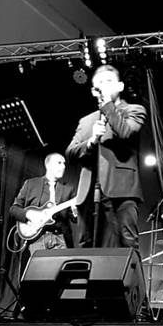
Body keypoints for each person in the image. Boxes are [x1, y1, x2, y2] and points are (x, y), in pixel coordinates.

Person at [66, 64, 146, 249]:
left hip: (122, 190)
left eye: (109, 81)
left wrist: (108, 106)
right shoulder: (86, 121)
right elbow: (70, 153)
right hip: (88, 193)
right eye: (100, 83)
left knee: (126, 244)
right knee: (86, 246)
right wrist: (92, 141)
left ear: (120, 86)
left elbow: (125, 132)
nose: (104, 86)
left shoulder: (134, 110)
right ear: (94, 90)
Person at [8, 153, 77, 255]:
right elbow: (13, 209)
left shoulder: (69, 189)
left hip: (60, 239)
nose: (63, 166)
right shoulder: (30, 184)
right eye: (59, 163)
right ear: (48, 165)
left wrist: (75, 212)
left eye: (64, 163)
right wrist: (28, 215)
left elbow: (74, 218)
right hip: (35, 240)